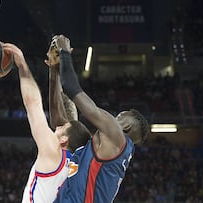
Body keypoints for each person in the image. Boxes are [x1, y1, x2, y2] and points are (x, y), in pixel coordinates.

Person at [50, 35, 150, 203]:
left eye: (119, 116)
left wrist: (65, 52)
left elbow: (72, 88)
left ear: (125, 128)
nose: (112, 118)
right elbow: (60, 120)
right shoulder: (94, 149)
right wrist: (54, 71)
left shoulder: (117, 137)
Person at [2, 42, 91, 203]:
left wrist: (22, 64)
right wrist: (55, 71)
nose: (58, 126)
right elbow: (69, 118)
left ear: (64, 140)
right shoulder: (80, 166)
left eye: (62, 127)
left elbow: (33, 104)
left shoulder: (53, 152)